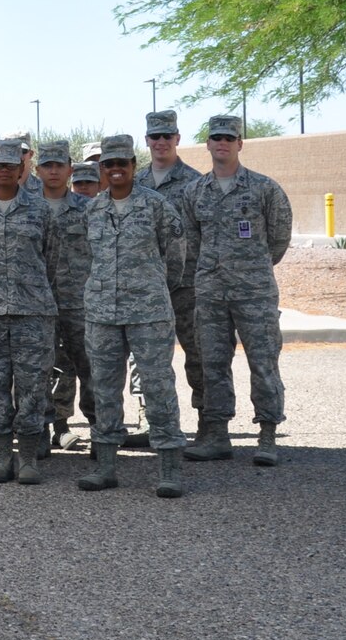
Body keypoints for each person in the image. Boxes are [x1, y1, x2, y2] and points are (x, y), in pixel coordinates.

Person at [178, 114, 294, 466]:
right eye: (216, 138)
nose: (222, 144)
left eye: (229, 138)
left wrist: (252, 268)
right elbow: (191, 242)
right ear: (208, 145)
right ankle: (217, 434)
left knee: (263, 362)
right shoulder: (194, 191)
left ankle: (268, 435)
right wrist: (212, 272)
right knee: (212, 363)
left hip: (254, 292)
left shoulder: (264, 189)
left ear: (240, 144)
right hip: (210, 292)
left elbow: (279, 238)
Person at [80, 134, 186, 498]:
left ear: (132, 166)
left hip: (148, 312)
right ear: (101, 169)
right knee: (105, 390)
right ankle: (107, 467)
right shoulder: (92, 209)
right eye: (108, 164)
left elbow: (176, 257)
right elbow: (85, 258)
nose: (115, 170)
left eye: (122, 164)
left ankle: (169, 468)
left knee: (157, 387)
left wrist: (154, 289)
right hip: (102, 313)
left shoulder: (156, 205)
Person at [0, 138, 59, 485]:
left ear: (21, 170)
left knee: (33, 386)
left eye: (10, 166)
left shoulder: (40, 211)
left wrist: (31, 290)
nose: (4, 171)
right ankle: (3, 455)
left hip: (32, 311)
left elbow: (53, 258)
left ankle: (29, 456)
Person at [138, 109, 208, 427]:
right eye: (156, 136)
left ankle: (209, 423)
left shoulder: (195, 183)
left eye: (168, 136)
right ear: (147, 140)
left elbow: (207, 234)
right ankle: (152, 421)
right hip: (146, 287)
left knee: (199, 355)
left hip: (187, 285)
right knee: (148, 360)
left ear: (178, 139)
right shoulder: (134, 182)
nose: (161, 142)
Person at [37, 140, 95, 450]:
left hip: (80, 302)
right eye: (48, 165)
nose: (54, 171)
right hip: (39, 302)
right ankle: (47, 430)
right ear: (38, 170)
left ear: (70, 170)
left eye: (60, 165)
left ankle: (100, 430)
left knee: (90, 367)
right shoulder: (27, 207)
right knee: (42, 368)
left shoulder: (89, 208)